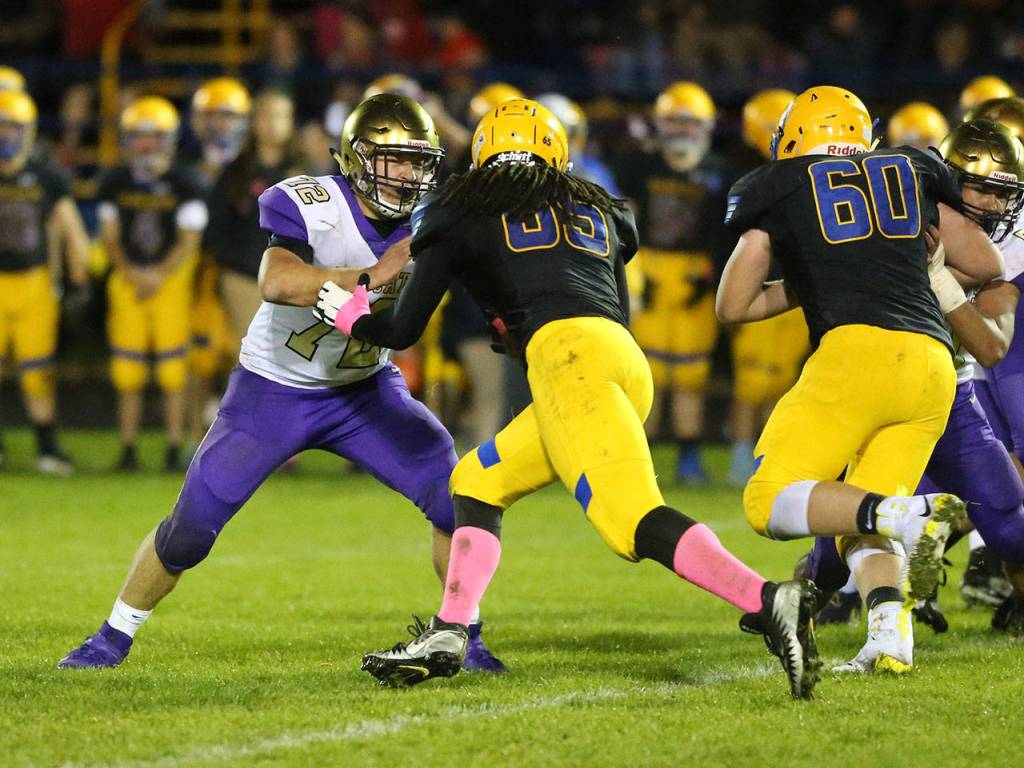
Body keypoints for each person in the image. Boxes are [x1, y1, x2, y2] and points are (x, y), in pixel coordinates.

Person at [324, 98, 822, 700]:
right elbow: (603, 293)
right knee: (476, 483)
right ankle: (452, 631)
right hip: (620, 356)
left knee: (629, 521)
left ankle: (768, 600)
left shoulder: (462, 207)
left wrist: (353, 318)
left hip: (569, 364)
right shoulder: (597, 203)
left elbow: (403, 329)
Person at [57, 94, 502, 672]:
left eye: (419, 162)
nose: (408, 175)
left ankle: (465, 637)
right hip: (272, 391)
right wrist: (372, 274)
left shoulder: (434, 216)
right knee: (191, 530)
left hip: (366, 390)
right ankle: (111, 638)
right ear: (357, 158)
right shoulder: (312, 202)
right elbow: (277, 280)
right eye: (394, 159)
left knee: (456, 498)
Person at [716, 86, 1003, 673]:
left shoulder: (779, 184)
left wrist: (814, 273)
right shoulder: (909, 169)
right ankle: (890, 642)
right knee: (859, 515)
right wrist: (873, 267)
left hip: (856, 356)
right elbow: (984, 264)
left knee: (766, 499)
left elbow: (734, 305)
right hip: (931, 366)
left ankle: (913, 514)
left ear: (794, 136)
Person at [802, 119, 1024, 659]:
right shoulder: (895, 216)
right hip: (883, 393)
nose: (995, 205)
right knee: (842, 538)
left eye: (1004, 193)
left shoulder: (1005, 250)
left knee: (1010, 525)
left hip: (954, 397)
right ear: (950, 179)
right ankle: (802, 602)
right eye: (983, 189)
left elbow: (991, 346)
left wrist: (937, 276)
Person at [613, 81, 735, 484]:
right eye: (675, 121)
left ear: (706, 126)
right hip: (648, 269)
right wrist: (630, 272)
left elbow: (727, 234)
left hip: (694, 275)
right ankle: (637, 459)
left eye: (690, 122)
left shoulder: (720, 172)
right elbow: (622, 220)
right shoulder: (638, 166)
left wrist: (711, 275)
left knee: (689, 377)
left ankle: (689, 459)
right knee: (644, 375)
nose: (682, 130)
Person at [96, 96, 207, 472]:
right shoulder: (115, 180)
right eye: (139, 137)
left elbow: (189, 240)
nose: (146, 145)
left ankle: (174, 447)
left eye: (154, 137)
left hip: (170, 281)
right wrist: (131, 272)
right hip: (128, 280)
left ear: (169, 139)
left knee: (173, 372)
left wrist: (158, 275)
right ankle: (128, 448)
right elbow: (110, 236)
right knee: (127, 373)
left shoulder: (185, 181)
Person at [0, 88, 89, 473]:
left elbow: (72, 229)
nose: (5, 134)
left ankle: (46, 446)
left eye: (12, 126)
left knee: (37, 370)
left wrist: (79, 279)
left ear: (29, 130)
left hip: (33, 281)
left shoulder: (46, 174)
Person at [726, 88, 809, 486]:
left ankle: (764, 455)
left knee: (783, 381)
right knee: (752, 382)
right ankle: (744, 453)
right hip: (777, 288)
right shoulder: (753, 180)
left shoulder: (764, 180)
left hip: (793, 289)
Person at [186, 77, 253, 452]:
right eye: (213, 115)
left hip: (244, 272)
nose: (221, 124)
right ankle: (193, 437)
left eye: (229, 116)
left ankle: (245, 438)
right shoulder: (186, 167)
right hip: (198, 272)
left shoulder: (254, 168)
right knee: (199, 356)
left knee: (246, 356)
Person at [207, 89, 303, 340]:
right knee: (253, 350)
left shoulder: (305, 173)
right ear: (254, 121)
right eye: (266, 115)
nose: (272, 123)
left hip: (296, 282)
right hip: (243, 278)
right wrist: (235, 265)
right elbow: (216, 229)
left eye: (280, 116)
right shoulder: (235, 173)